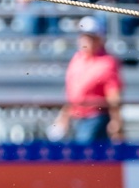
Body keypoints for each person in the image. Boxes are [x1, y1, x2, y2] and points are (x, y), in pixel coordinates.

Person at [53, 15, 123, 143]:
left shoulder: (107, 62)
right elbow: (72, 92)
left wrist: (116, 121)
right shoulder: (77, 59)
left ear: (99, 39)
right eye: (84, 37)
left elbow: (113, 95)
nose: (86, 41)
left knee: (85, 155)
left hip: (95, 117)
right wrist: (64, 117)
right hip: (75, 116)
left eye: (90, 37)